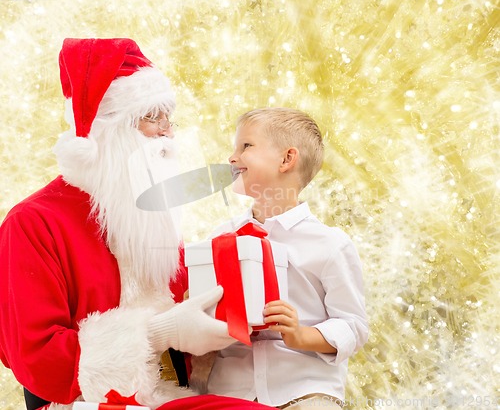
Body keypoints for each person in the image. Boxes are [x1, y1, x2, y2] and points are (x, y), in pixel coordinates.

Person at [0, 38, 274, 410]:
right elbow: (38, 362)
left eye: (168, 118)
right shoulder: (32, 223)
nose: (168, 132)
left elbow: (187, 309)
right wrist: (159, 333)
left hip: (175, 393)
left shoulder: (150, 217)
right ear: (109, 129)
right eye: (151, 117)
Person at [193, 108, 369, 409]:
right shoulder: (220, 238)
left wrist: (301, 335)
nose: (232, 158)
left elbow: (353, 326)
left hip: (304, 391)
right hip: (231, 392)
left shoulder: (330, 244)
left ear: (287, 159)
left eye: (246, 146)